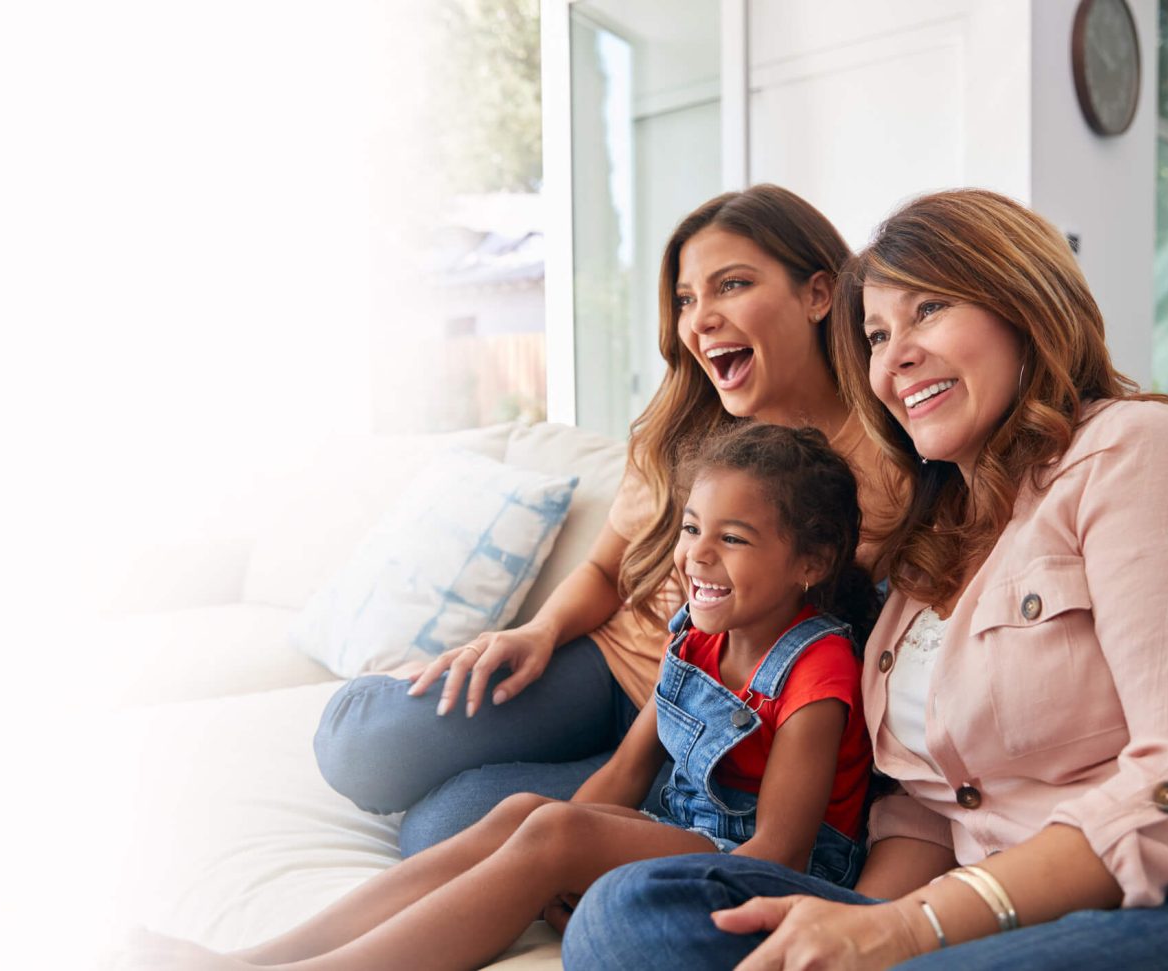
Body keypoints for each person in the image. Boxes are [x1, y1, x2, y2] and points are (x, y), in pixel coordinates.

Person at [560, 189, 1168, 971]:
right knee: (634, 914)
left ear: (1022, 301)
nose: (897, 359)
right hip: (1028, 918)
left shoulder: (1140, 453)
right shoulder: (934, 544)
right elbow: (924, 811)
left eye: (929, 309)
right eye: (878, 336)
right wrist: (849, 927)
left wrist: (910, 930)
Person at [127, 423, 882, 971]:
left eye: (734, 538)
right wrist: (571, 843)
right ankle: (262, 955)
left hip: (767, 869)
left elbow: (778, 854)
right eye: (690, 528)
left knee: (556, 835)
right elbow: (625, 771)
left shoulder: (817, 675)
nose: (696, 557)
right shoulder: (696, 631)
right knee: (530, 814)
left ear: (811, 560)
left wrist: (585, 859)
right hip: (687, 826)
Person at [309, 185, 904, 856]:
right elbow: (604, 569)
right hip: (607, 669)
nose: (700, 319)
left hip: (710, 740)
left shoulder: (889, 469)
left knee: (437, 832)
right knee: (361, 741)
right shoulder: (685, 429)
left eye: (730, 285)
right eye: (685, 299)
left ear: (818, 294)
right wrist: (538, 632)